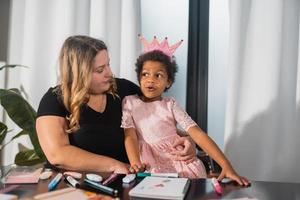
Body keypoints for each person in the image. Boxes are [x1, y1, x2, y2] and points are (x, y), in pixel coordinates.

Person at [35, 35, 196, 174]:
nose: (109, 73)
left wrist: (189, 140)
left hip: (125, 183)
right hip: (75, 186)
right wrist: (114, 165)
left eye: (108, 65)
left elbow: (163, 121)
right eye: (99, 70)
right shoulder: (53, 100)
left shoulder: (125, 90)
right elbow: (57, 155)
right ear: (78, 73)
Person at [121, 36, 249, 185]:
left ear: (168, 82)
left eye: (158, 75)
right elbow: (130, 136)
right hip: (150, 165)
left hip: (179, 163)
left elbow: (198, 135)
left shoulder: (171, 105)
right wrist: (135, 163)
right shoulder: (129, 102)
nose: (151, 80)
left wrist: (226, 166)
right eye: (145, 74)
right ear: (139, 78)